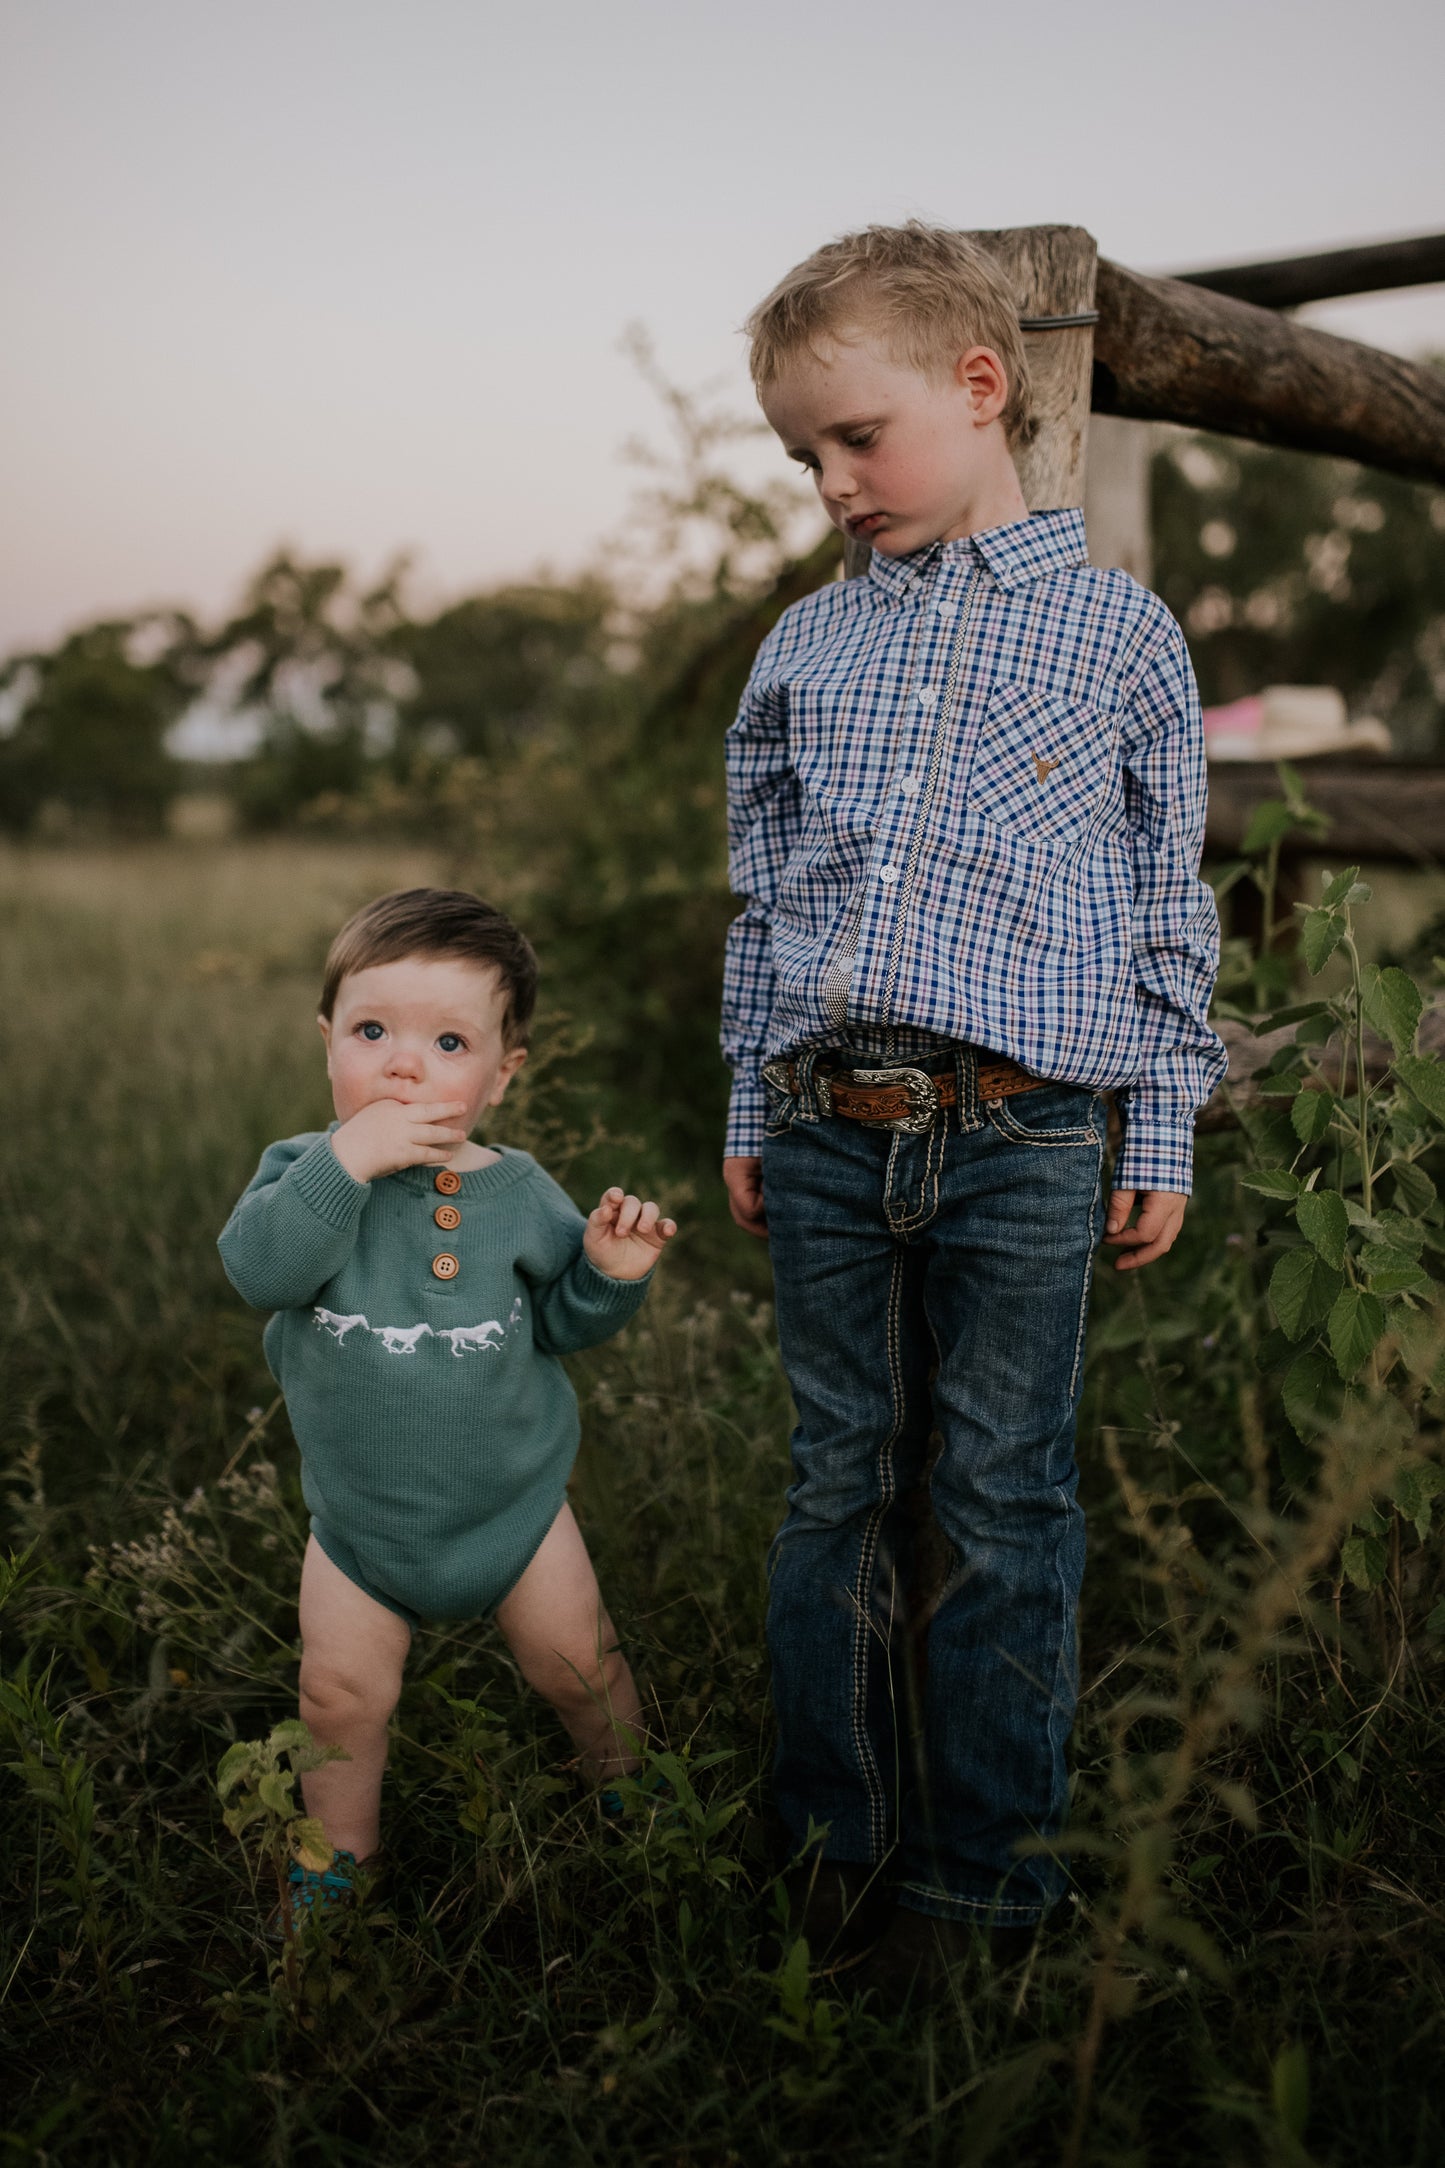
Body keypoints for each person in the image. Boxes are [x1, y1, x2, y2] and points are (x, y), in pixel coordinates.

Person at [720, 223, 1226, 1994]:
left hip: (1028, 1134)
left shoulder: (1121, 639)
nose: (833, 482)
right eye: (804, 457)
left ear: (981, 386)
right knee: (838, 1486)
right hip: (825, 1118)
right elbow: (766, 898)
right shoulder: (802, 649)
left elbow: (1168, 897)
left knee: (1006, 1497)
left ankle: (984, 1895)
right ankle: (829, 1852)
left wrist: (1155, 1122)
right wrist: (743, 1104)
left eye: (857, 437)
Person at [219, 887, 674, 1919]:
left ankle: (635, 1798)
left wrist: (607, 1269)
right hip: (359, 1525)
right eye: (371, 1030)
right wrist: (346, 1162)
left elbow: (562, 1323)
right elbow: (260, 1272)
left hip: (512, 1509)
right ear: (326, 1038)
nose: (402, 1063)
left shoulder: (516, 1190)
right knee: (338, 1698)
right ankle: (339, 1858)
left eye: (449, 1040)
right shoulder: (300, 1173)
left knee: (581, 1670)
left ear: (502, 1073)